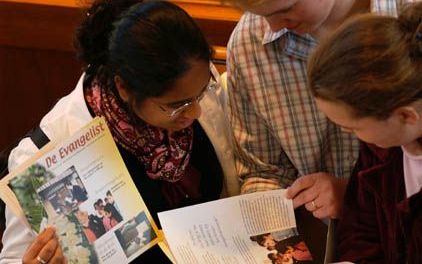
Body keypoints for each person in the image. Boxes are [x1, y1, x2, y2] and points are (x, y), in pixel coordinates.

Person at [0, 0, 240, 263]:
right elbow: (13, 257)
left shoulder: (190, 85)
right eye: (177, 105)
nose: (195, 112)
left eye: (201, 91)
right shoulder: (47, 150)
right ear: (124, 88)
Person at [223, 0, 417, 220]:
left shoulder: (412, 20)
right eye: (257, 14)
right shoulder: (248, 45)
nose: (274, 26)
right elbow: (263, 172)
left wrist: (355, 196)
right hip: (320, 234)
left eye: (286, 9)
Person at [307, 2, 422, 262]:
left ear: (405, 115)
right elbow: (360, 227)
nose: (348, 134)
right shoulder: (381, 147)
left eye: (352, 127)